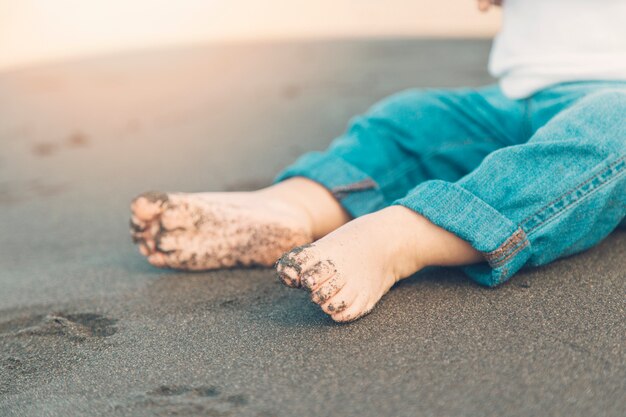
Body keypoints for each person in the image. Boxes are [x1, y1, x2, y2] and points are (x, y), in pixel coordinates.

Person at [130, 0, 626, 322]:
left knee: (608, 130)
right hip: (517, 96)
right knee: (412, 118)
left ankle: (402, 237)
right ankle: (294, 207)